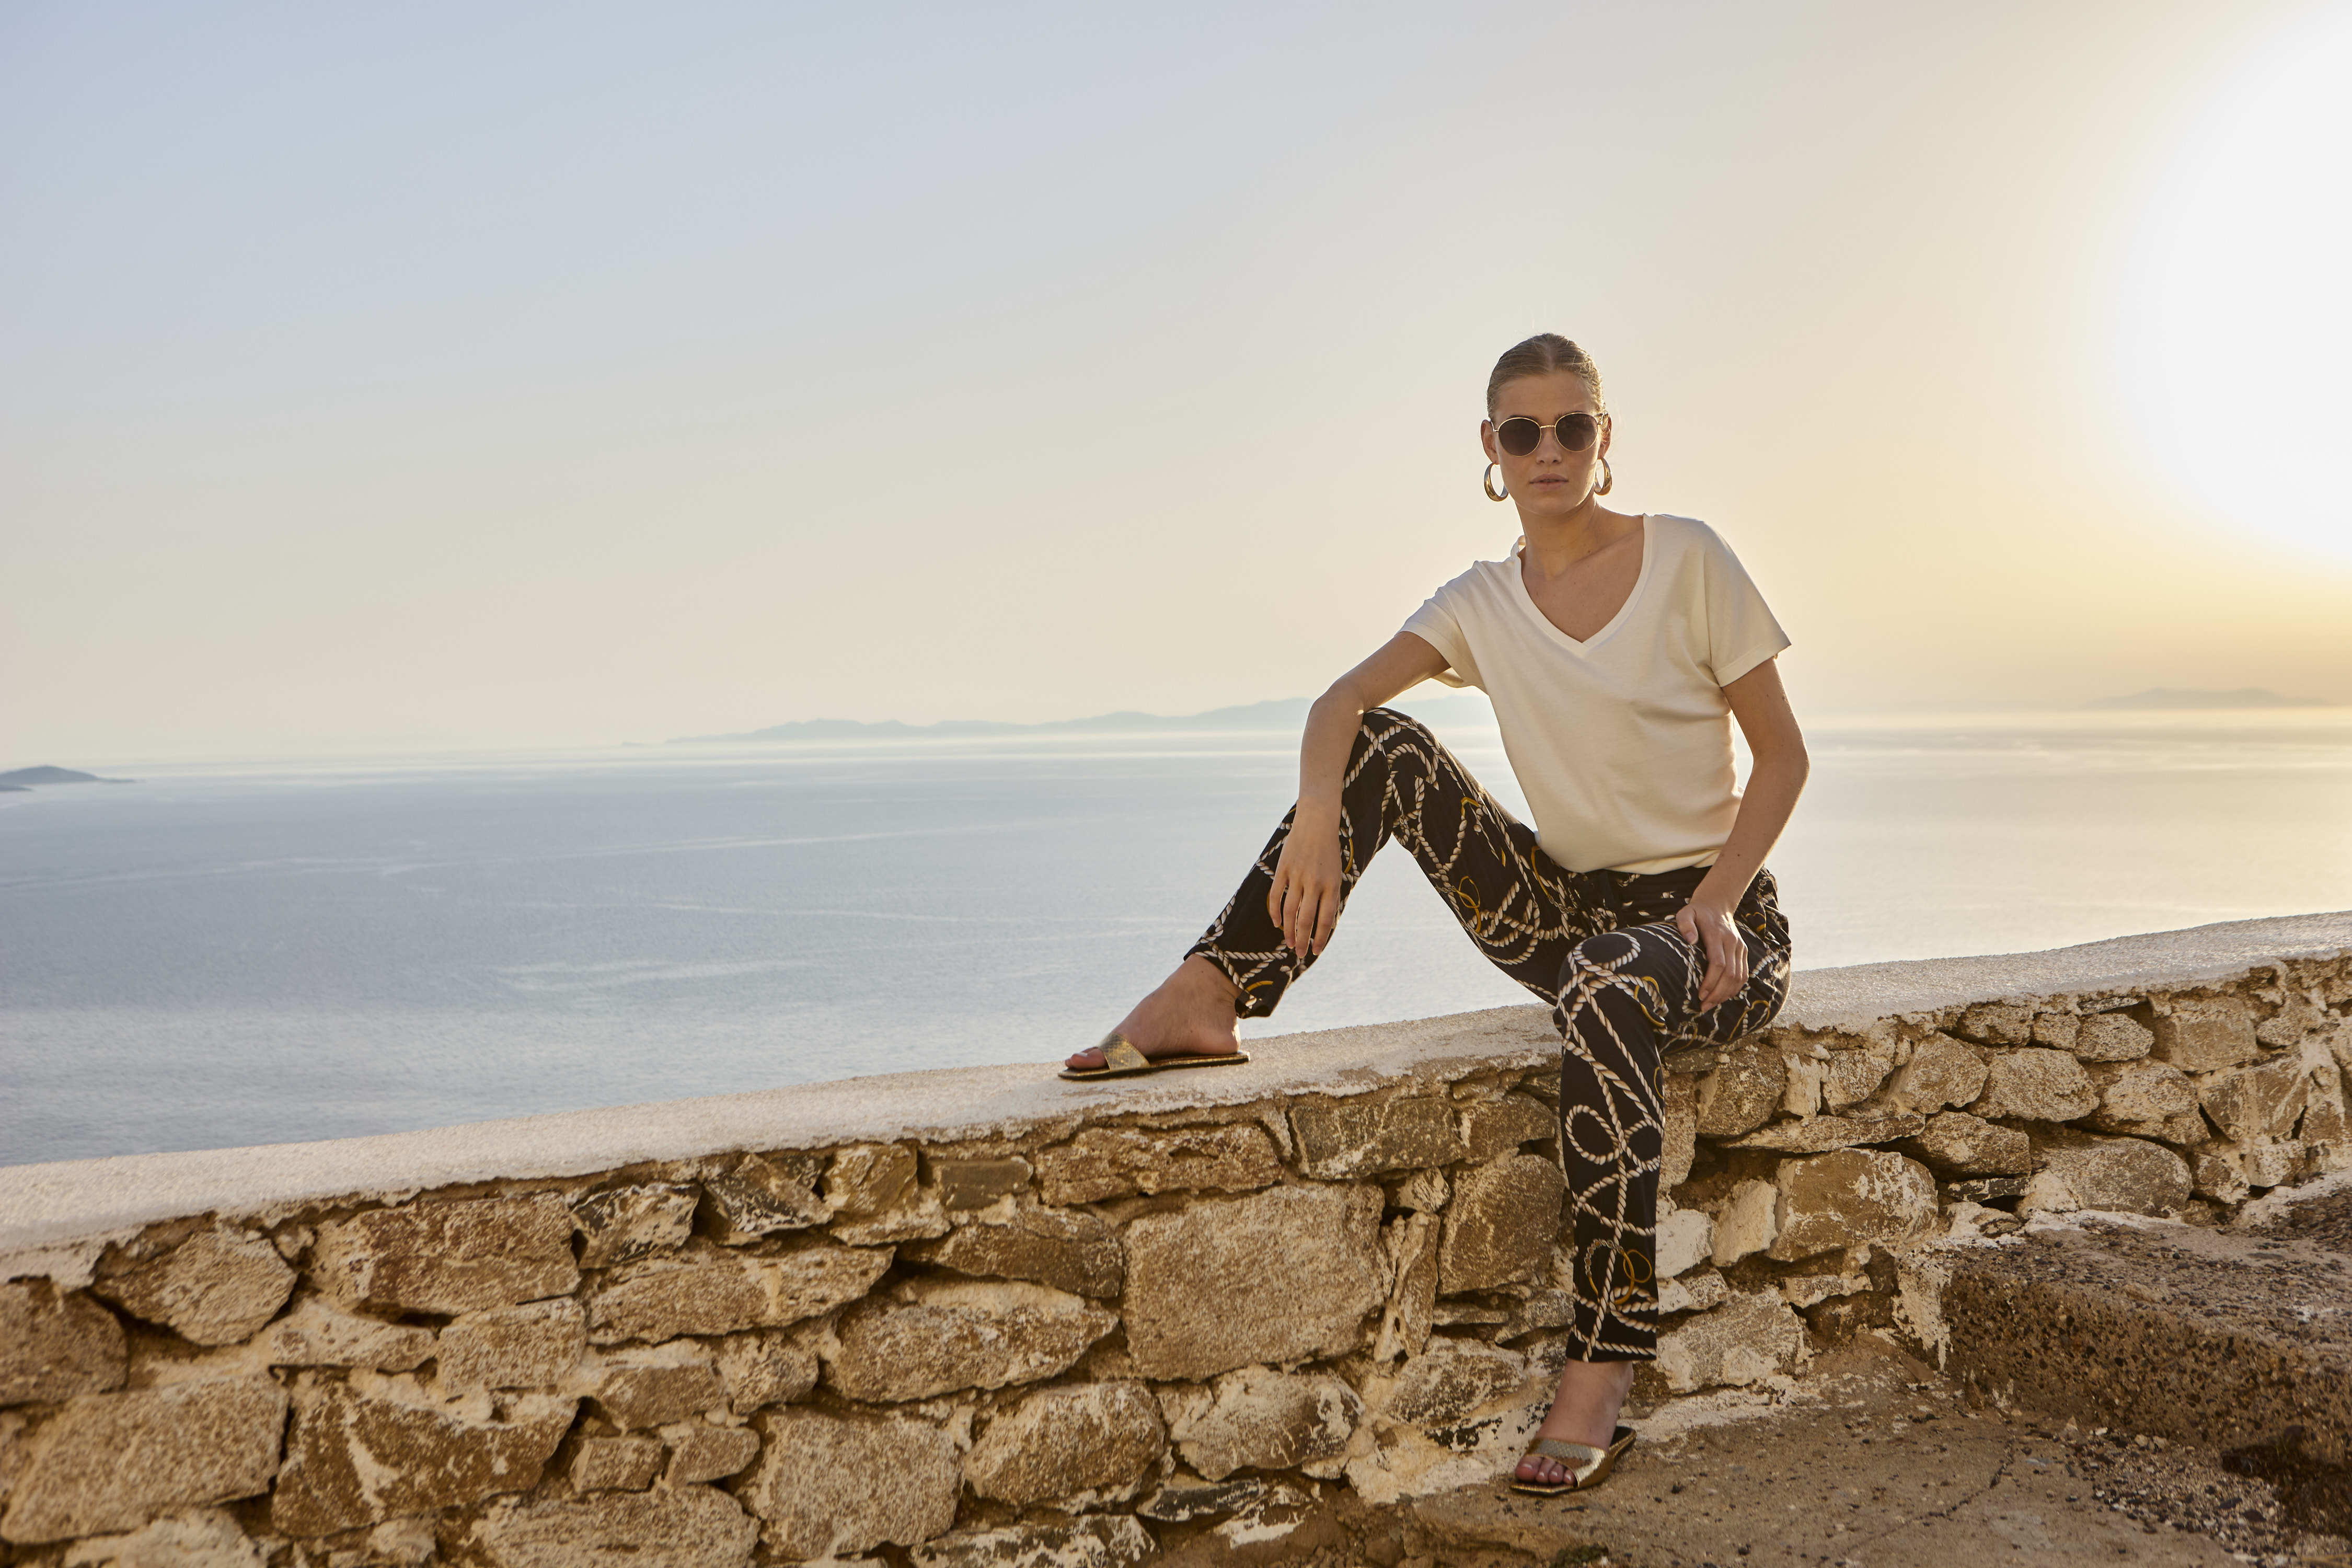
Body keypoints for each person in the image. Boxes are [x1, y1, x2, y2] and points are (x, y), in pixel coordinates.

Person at [1060, 333, 1807, 1496]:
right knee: (1387, 749)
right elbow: (1342, 700)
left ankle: (1604, 1361)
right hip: (1572, 913)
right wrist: (1320, 813)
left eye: (1572, 427)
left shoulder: (1688, 558)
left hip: (1710, 928)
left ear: (1604, 438)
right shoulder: (1483, 601)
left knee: (1609, 979)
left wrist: (1714, 906)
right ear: (1491, 449)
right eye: (1523, 431)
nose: (1549, 449)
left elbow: (1784, 758)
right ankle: (1212, 991)